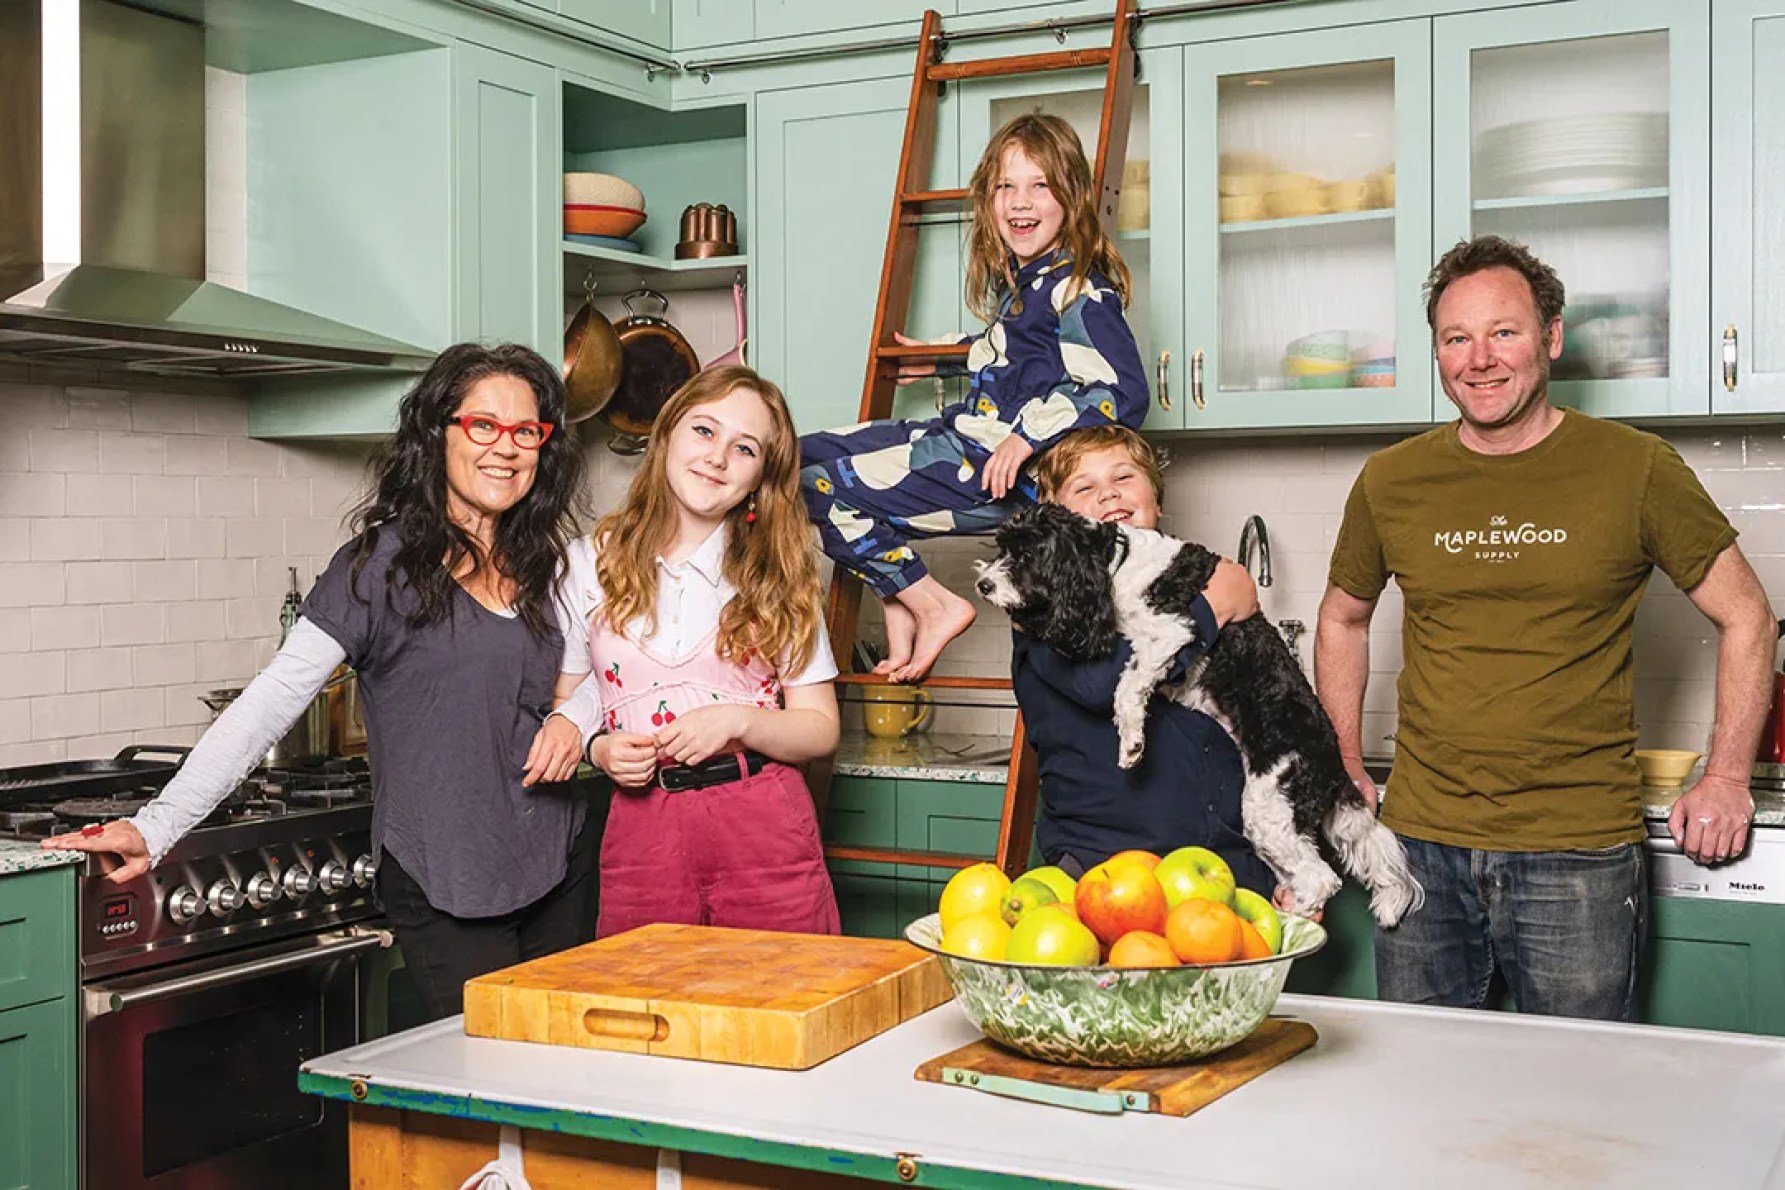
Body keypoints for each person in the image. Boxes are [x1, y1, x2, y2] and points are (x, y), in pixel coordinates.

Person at [43, 343, 603, 1022]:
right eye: (482, 424)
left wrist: (575, 719)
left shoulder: (552, 564)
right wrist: (156, 826)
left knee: (560, 1075)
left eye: (526, 431)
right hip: (443, 874)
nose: (505, 447)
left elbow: (612, 671)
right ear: (438, 434)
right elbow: (272, 700)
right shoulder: (379, 569)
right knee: (490, 1090)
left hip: (556, 860)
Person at [1316, 235, 1775, 1021]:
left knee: (1581, 1104)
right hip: (1420, 846)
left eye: (1503, 332)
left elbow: (1748, 616)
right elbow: (1341, 617)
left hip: (1577, 852)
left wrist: (1726, 775)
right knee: (1416, 1092)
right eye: (1455, 338)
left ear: (1551, 338)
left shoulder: (1634, 467)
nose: (1478, 359)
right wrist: (1342, 761)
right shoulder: (1391, 479)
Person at [800, 111, 1148, 683]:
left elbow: (1121, 390)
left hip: (995, 468)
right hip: (964, 437)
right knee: (790, 455)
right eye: (1005, 186)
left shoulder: (1078, 286)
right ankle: (903, 601)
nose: (1020, 202)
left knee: (812, 486)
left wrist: (1028, 436)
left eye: (1040, 185)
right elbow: (1022, 354)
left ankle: (931, 605)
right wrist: (943, 356)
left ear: (1073, 197)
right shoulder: (1028, 282)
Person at [541, 366, 843, 937]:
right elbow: (574, 699)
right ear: (668, 435)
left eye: (745, 447)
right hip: (642, 827)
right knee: (646, 1010)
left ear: (759, 478)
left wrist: (739, 722)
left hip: (764, 823)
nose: (718, 457)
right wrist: (599, 750)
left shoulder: (780, 575)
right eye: (704, 430)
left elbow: (820, 728)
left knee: (781, 1006)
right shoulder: (586, 561)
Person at [1013, 424, 1275, 894]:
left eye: (1124, 478)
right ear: (1056, 520)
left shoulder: (1187, 583)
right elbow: (1102, 684)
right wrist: (1210, 608)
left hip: (1225, 866)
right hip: (1105, 870)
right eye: (1084, 487)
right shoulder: (1042, 605)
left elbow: (1266, 723)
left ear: (1157, 500)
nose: (1108, 494)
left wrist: (1289, 865)